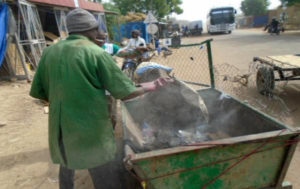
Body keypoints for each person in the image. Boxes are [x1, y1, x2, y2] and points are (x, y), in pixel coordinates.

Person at [29, 8, 172, 189]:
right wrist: (152, 86)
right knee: (102, 171)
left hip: (61, 127)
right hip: (89, 128)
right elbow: (125, 92)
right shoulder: (96, 53)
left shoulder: (50, 52)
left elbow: (39, 93)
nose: (99, 33)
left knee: (67, 163)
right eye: (97, 28)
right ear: (89, 29)